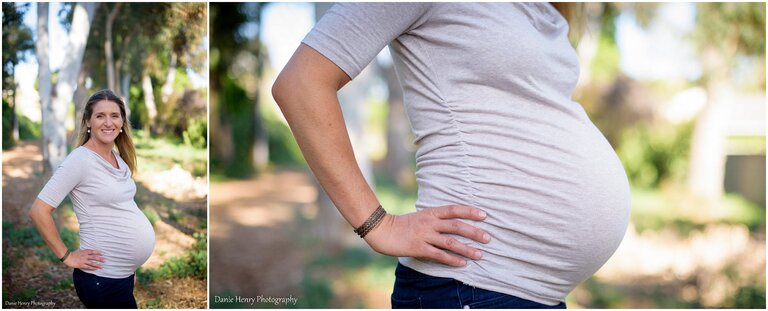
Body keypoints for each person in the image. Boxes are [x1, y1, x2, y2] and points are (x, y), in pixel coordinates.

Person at [272, 2, 631, 309]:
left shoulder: (546, 8)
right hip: (472, 284)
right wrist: (378, 226)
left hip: (526, 292)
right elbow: (301, 84)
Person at [29, 89, 155, 308]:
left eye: (114, 115)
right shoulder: (80, 160)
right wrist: (67, 256)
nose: (108, 122)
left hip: (119, 276)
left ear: (123, 121)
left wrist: (128, 267)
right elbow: (39, 210)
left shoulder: (117, 157)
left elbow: (119, 211)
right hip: (101, 279)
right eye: (100, 116)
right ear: (88, 121)